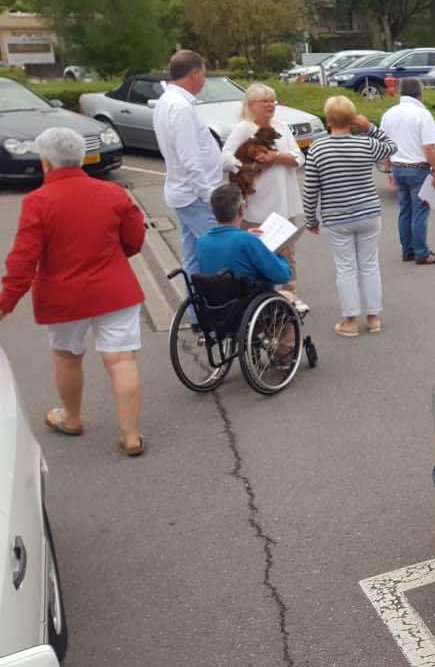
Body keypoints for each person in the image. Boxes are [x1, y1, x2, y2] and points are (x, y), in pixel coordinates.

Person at [0, 128, 146, 457]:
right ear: (81, 158)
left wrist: (6, 302)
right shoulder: (113, 193)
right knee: (122, 360)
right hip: (115, 289)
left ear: (46, 162)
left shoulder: (38, 201)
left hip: (63, 296)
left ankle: (72, 419)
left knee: (68, 356)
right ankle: (131, 436)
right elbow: (134, 240)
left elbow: (24, 259)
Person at [303, 96, 397, 338]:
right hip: (368, 212)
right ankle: (373, 318)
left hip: (337, 216)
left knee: (345, 268)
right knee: (369, 265)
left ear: (328, 120)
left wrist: (311, 219)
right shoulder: (366, 143)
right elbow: (391, 146)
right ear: (352, 119)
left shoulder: (318, 149)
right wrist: (369, 127)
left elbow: (310, 188)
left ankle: (350, 321)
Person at [221, 82, 306, 301]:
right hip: (258, 205)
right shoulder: (244, 128)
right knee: (258, 256)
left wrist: (276, 157)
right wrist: (250, 167)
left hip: (284, 203)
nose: (271, 105)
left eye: (273, 100)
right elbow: (225, 158)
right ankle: (260, 300)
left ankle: (290, 298)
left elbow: (299, 158)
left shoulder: (281, 127)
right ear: (251, 105)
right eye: (265, 101)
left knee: (287, 255)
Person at [154, 50, 232, 283]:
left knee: (192, 256)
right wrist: (209, 196)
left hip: (184, 192)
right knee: (221, 253)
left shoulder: (167, 101)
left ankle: (195, 304)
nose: (204, 81)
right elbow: (190, 159)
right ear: (194, 74)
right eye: (204, 75)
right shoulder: (181, 107)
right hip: (195, 196)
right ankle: (217, 302)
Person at [380, 77, 435, 265]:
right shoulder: (422, 114)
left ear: (400, 92)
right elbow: (429, 147)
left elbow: (384, 144)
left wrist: (388, 169)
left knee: (405, 211)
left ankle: (407, 250)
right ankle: (422, 252)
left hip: (398, 167)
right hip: (418, 169)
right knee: (420, 212)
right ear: (420, 93)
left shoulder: (389, 114)